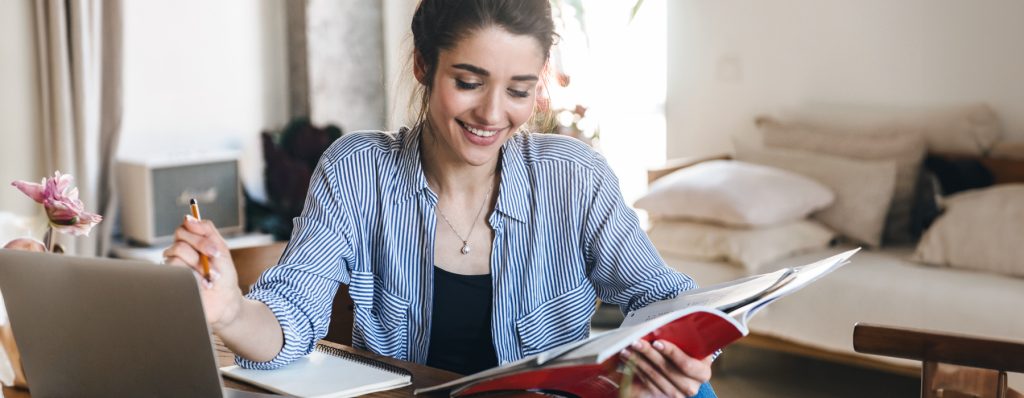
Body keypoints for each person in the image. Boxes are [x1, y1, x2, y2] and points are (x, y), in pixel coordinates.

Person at [164, 0, 716, 396]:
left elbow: (664, 299)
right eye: (470, 82)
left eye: (519, 90)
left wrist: (669, 363)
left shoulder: (576, 177)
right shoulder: (357, 170)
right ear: (424, 66)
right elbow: (290, 322)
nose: (493, 114)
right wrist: (232, 311)